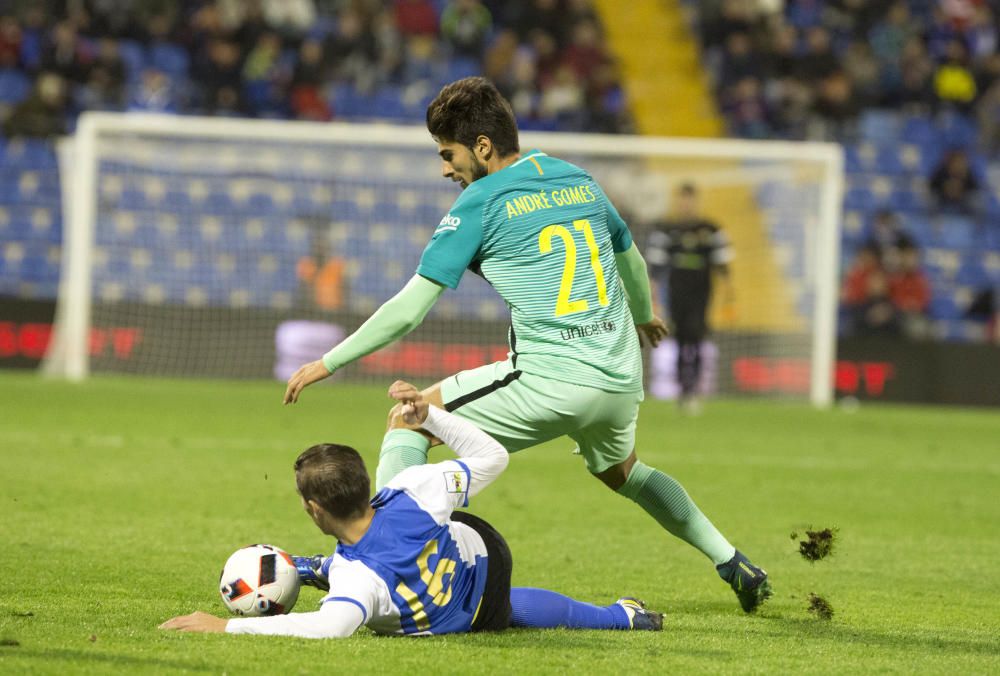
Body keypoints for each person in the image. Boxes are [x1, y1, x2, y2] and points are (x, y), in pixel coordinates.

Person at [283, 77, 771, 613]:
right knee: (623, 472)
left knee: (410, 420)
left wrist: (328, 362)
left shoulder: (481, 202)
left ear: (483, 147)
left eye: (448, 154)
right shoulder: (578, 179)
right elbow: (628, 255)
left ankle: (383, 567)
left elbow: (409, 309)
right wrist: (644, 316)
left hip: (552, 379)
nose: (446, 168)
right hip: (619, 377)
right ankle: (732, 561)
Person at [160, 382, 663, 637]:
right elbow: (493, 457)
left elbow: (328, 626)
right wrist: (432, 418)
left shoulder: (358, 582)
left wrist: (227, 625)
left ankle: (319, 569)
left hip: (463, 615)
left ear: (315, 511)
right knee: (493, 592)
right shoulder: (414, 489)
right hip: (481, 553)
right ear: (364, 483)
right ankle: (623, 617)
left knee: (505, 611)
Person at [645, 183, 735, 414]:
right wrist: (654, 296)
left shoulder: (710, 229)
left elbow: (724, 266)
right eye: (683, 200)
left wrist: (729, 294)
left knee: (696, 338)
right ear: (678, 201)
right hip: (676, 294)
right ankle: (683, 389)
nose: (686, 204)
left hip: (702, 294)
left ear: (696, 201)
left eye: (690, 200)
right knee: (680, 339)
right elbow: (655, 268)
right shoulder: (667, 230)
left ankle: (692, 389)